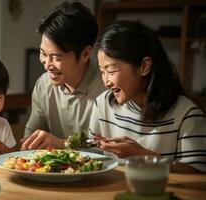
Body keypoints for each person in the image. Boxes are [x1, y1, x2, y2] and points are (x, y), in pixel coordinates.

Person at [90, 20, 206, 173]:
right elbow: (90, 158)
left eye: (111, 71)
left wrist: (142, 156)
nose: (106, 82)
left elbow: (198, 174)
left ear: (144, 67)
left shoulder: (186, 114)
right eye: (102, 72)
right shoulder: (102, 104)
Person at [21, 1, 104, 150]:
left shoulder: (108, 87)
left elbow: (109, 147)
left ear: (85, 54)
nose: (47, 64)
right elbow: (30, 139)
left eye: (57, 57)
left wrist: (62, 144)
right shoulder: (43, 84)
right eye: (43, 53)